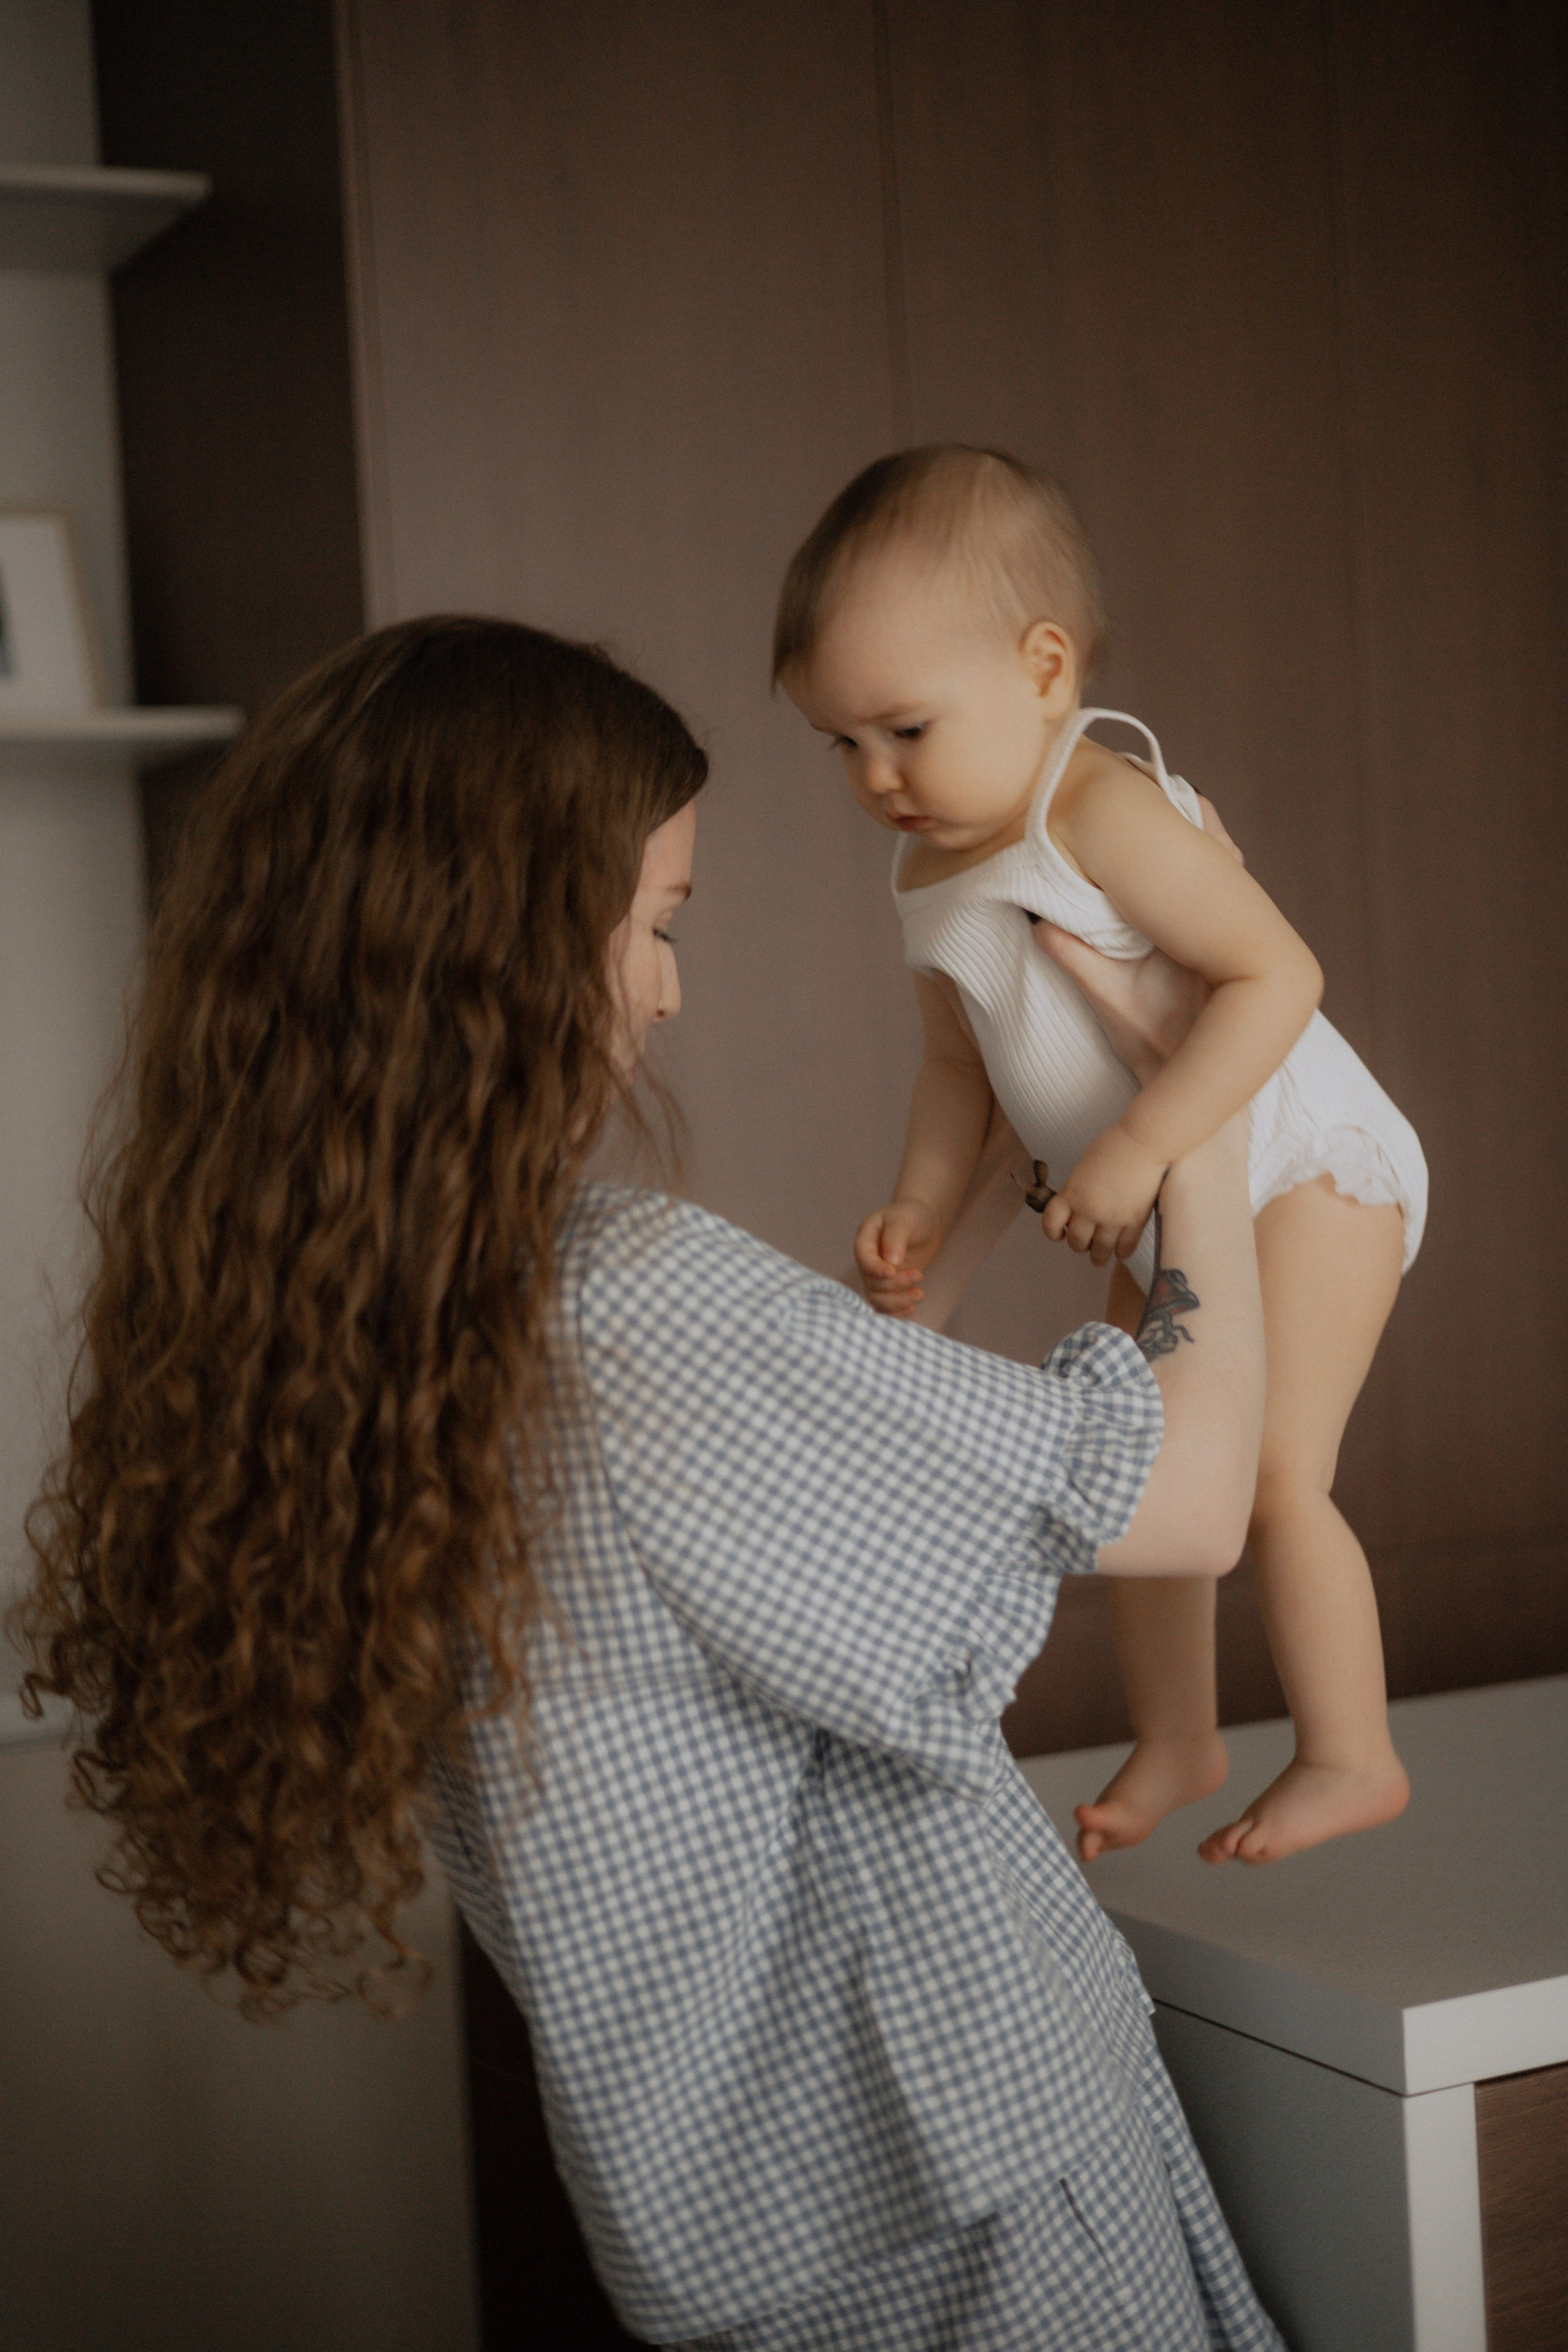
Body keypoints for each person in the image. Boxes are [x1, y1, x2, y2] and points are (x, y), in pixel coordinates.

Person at [14, 617, 1283, 2350]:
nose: (668, 987)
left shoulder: (342, 1340)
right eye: (657, 922)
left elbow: (713, 1570)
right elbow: (1197, 1502)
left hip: (730, 2232)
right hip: (967, 2192)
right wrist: (1191, 1103)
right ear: (506, 939)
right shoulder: (623, 1307)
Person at [775, 444, 1427, 1868]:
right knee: (1139, 1477)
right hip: (1151, 1207)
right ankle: (1182, 1736)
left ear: (1044, 669)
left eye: (904, 729)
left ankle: (1348, 1751)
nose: (877, 778)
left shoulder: (1095, 807)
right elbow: (963, 1071)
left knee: (1269, 1476)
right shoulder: (928, 863)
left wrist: (1139, 1143)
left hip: (1304, 1171)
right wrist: (917, 1206)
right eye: (841, 745)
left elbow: (1276, 975)